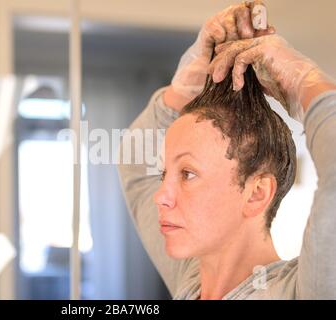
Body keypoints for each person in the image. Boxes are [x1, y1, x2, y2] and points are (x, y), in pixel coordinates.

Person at [117, 2, 336, 299]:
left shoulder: (301, 292)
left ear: (256, 193)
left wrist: (303, 81)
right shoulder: (192, 279)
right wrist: (187, 85)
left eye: (188, 173)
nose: (161, 196)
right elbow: (136, 165)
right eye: (165, 173)